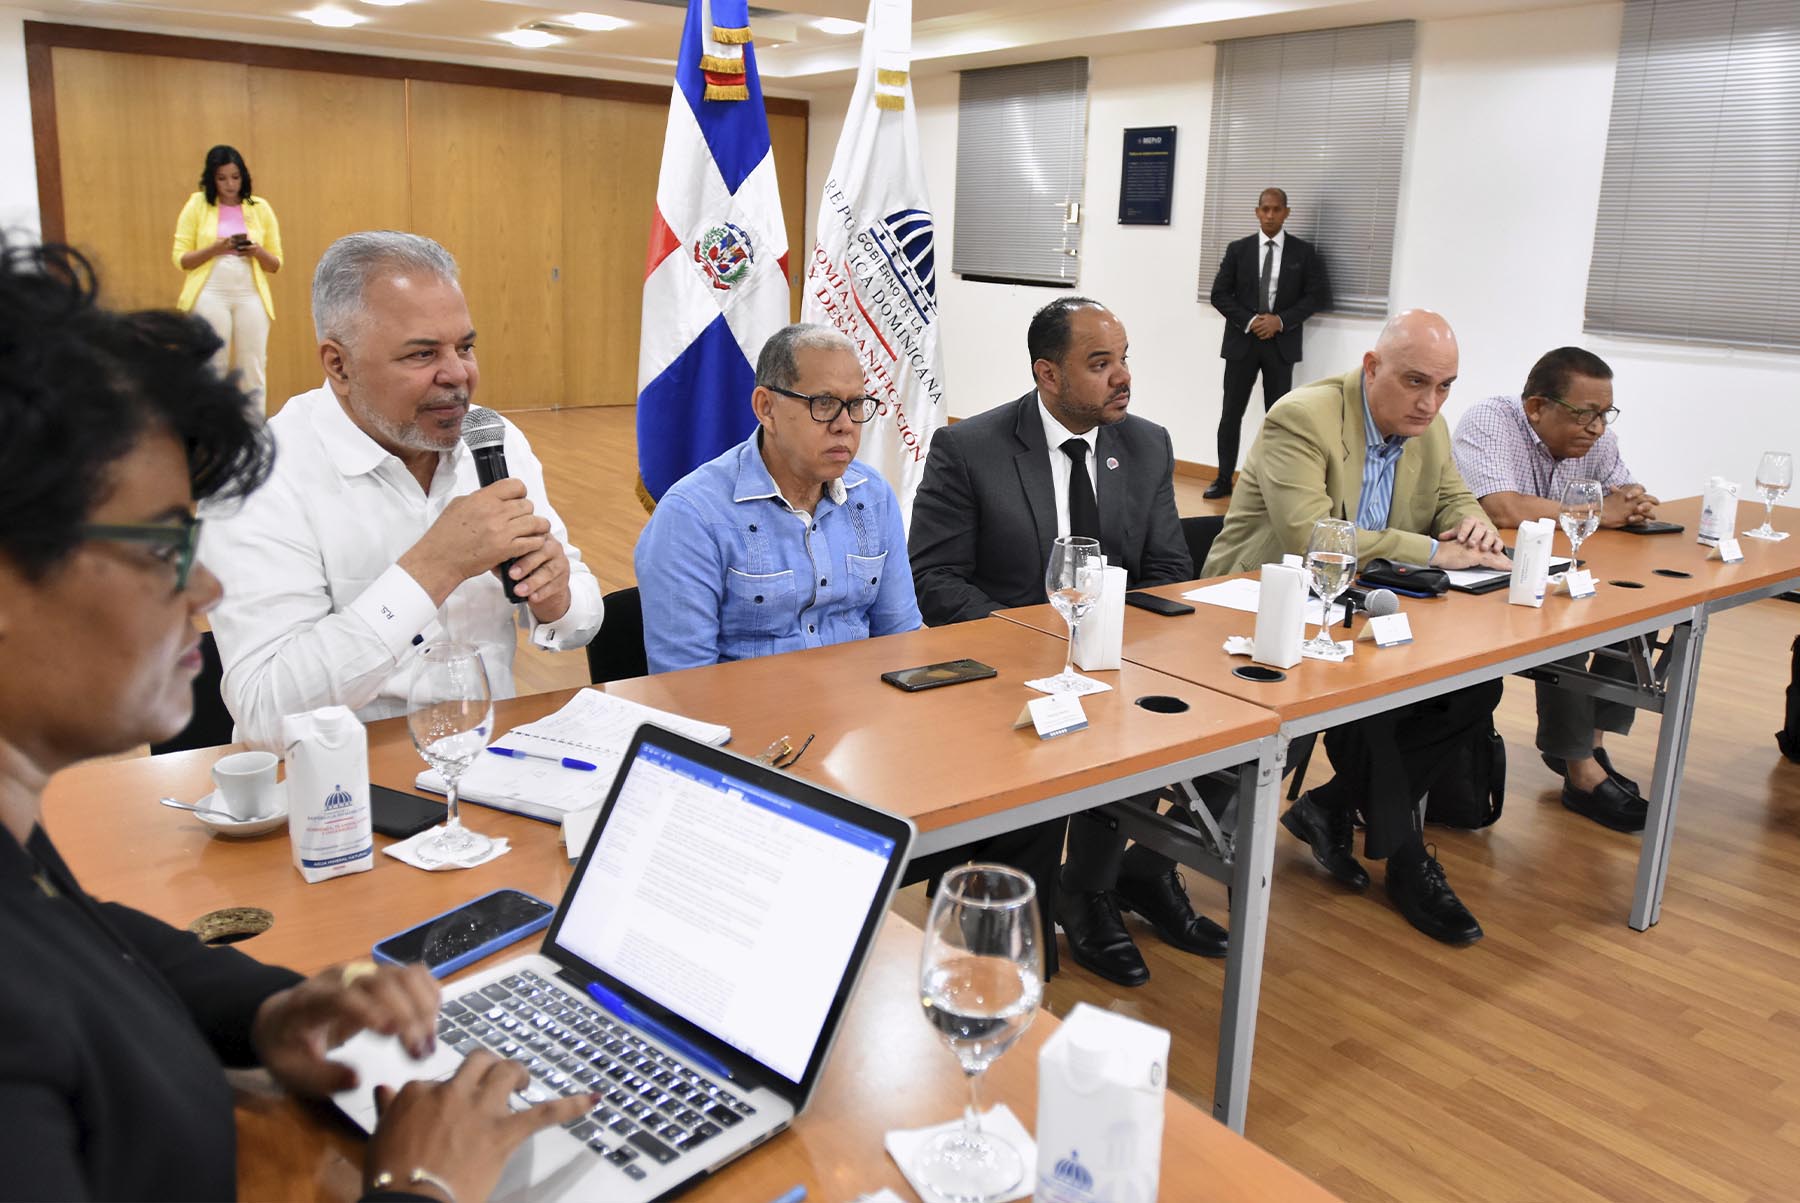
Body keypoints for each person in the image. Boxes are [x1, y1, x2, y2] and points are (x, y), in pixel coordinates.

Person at [0, 238, 591, 1202]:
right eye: (163, 544)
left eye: (464, 346)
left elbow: (94, 933)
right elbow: (266, 704)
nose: (205, 588)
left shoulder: (20, 842)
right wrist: (424, 1184)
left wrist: (273, 1008)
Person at [910, 297, 1225, 988]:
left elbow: (1169, 570)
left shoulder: (1145, 444)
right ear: (1047, 374)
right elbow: (934, 579)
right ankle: (1071, 898)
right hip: (1005, 673)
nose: (1123, 377)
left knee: (1233, 733)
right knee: (1072, 736)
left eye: (1124, 359)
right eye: (1100, 363)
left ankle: (1110, 880)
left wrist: (1115, 645)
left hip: (1118, 660)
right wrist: (1034, 640)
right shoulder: (971, 449)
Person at [202, 232, 602, 751]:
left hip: (488, 759)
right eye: (422, 354)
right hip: (340, 776)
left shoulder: (493, 439)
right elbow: (265, 713)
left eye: (465, 347)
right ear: (339, 365)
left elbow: (579, 618)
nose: (458, 374)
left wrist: (556, 597)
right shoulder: (258, 476)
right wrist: (435, 567)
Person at [1205, 310, 1508, 944]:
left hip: (1364, 607)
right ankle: (1407, 860)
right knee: (1368, 702)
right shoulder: (1302, 416)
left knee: (1477, 687)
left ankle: (1331, 805)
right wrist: (1433, 551)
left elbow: (1453, 497)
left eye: (1445, 386)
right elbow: (1313, 536)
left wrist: (1474, 524)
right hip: (1263, 603)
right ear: (1372, 367)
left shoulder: (1429, 427)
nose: (1431, 403)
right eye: (1416, 382)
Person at [1452, 346, 1659, 832]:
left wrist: (1636, 503)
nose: (1597, 428)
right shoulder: (1491, 421)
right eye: (1585, 414)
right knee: (1564, 625)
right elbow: (1499, 508)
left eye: (1605, 414)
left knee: (1641, 608)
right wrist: (1597, 512)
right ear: (1536, 407)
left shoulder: (1596, 439)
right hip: (1487, 579)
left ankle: (1591, 746)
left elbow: (1626, 492)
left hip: (1558, 569)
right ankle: (1579, 770)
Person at [634, 323, 922, 673]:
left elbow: (901, 641)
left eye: (856, 404)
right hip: (747, 707)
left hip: (862, 702)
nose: (845, 424)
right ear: (766, 408)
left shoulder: (873, 496)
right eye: (825, 403)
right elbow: (685, 683)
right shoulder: (692, 516)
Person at [1205, 187, 1331, 499]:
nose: (1270, 215)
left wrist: (1280, 321)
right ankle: (1223, 478)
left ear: (1286, 212)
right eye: (1265, 209)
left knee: (1279, 417)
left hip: (1280, 345)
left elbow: (1316, 296)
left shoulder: (1303, 253)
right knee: (1230, 414)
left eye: (1276, 209)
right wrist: (1252, 321)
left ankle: (1274, 483)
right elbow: (1219, 294)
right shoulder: (1238, 250)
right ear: (1257, 212)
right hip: (1242, 343)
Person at [172, 145, 283, 414]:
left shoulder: (260, 208)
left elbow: (275, 264)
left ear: (243, 176)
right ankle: (211, 427)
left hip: (249, 294)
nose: (230, 184)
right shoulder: (197, 205)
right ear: (212, 179)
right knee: (212, 363)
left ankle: (254, 427)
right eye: (222, 178)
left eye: (235, 177)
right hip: (211, 292)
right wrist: (215, 248)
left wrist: (256, 251)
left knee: (252, 364)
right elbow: (182, 259)